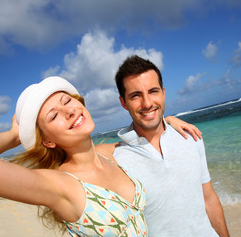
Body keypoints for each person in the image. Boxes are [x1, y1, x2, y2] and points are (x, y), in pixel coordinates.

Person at [0, 76, 199, 236]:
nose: (69, 111)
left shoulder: (110, 153)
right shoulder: (59, 185)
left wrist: (166, 121)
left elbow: (145, 137)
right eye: (53, 116)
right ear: (48, 140)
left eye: (67, 101)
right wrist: (15, 136)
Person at [97, 55, 229, 236]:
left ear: (163, 92)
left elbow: (209, 198)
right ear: (123, 103)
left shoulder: (190, 136)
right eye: (135, 95)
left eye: (153, 91)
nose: (147, 103)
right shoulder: (116, 160)